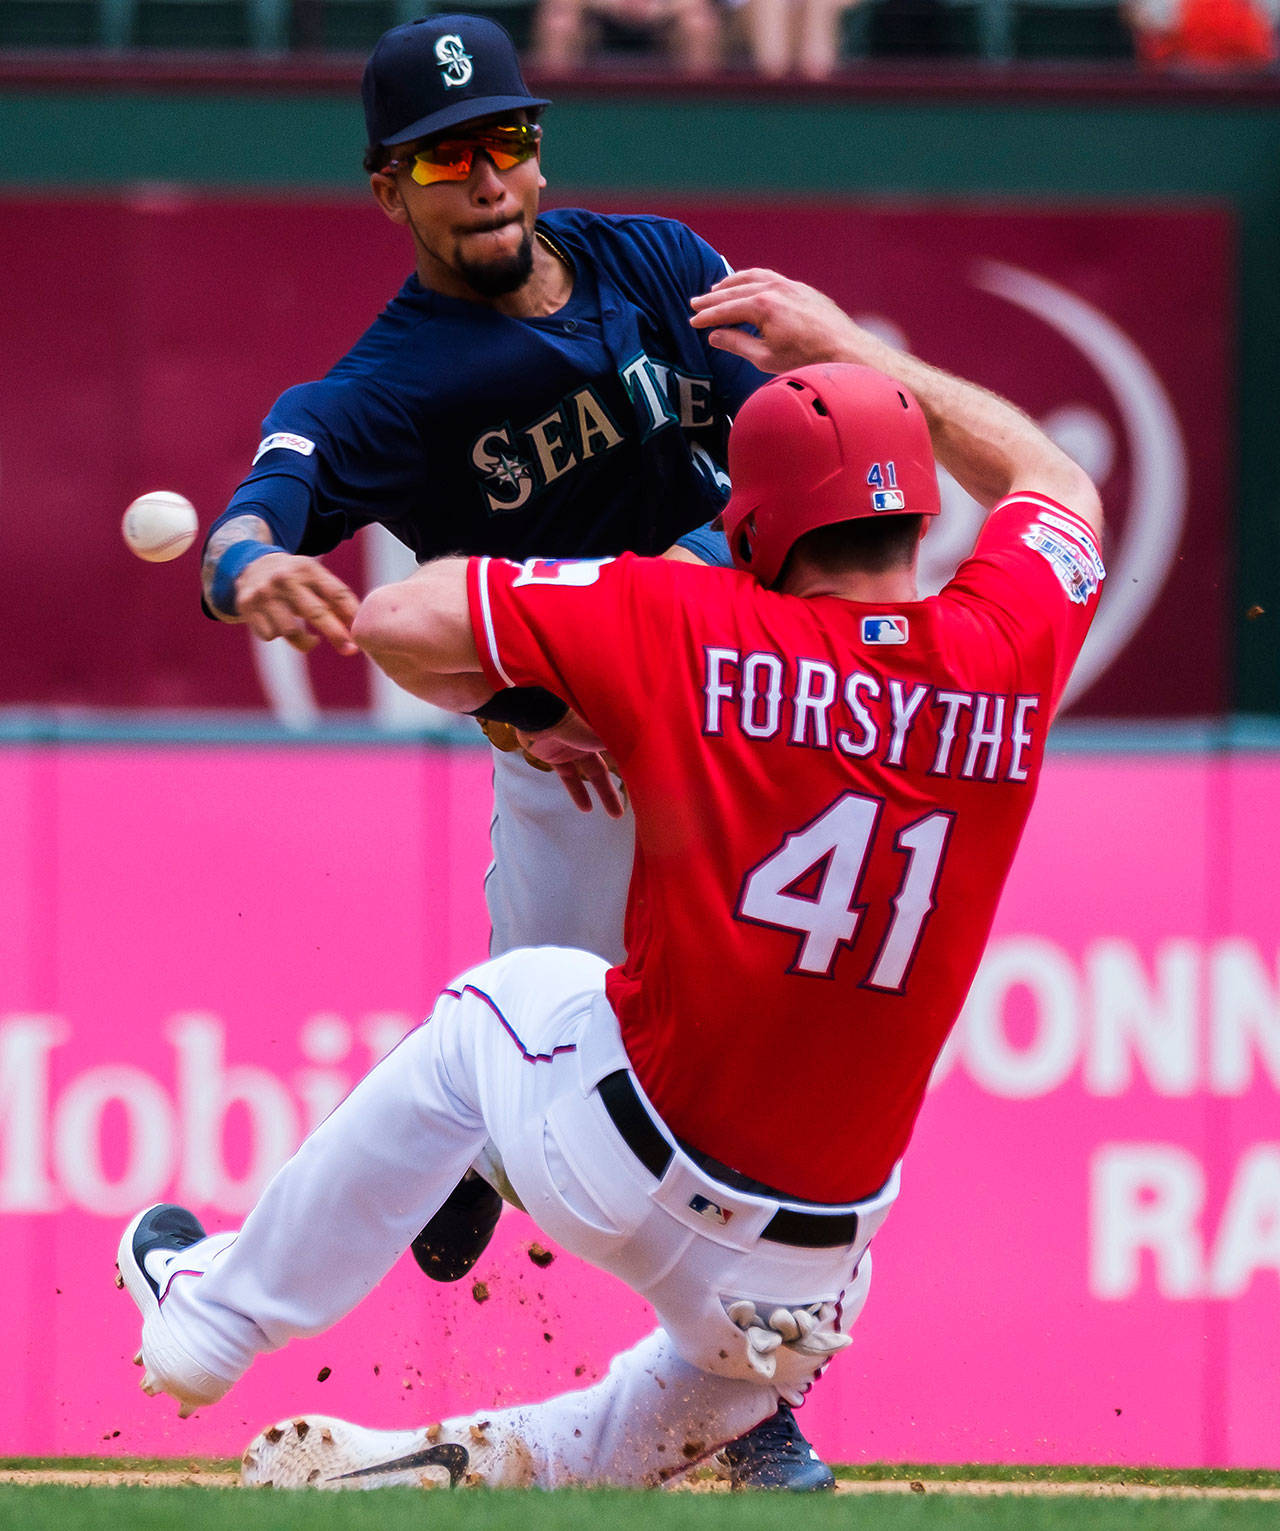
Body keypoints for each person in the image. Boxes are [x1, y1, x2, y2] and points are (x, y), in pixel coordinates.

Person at [117, 268, 1105, 1490]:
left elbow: (400, 622)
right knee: (684, 1403)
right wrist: (851, 342)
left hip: (626, 1166)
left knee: (508, 996)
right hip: (816, 1271)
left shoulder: (691, 621)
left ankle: (215, 1320)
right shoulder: (1008, 643)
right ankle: (595, 1442)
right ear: (920, 519)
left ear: (752, 525)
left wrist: (539, 697)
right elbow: (1053, 483)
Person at [194, 10, 825, 1487]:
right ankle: (477, 1149)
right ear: (387, 190)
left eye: (506, 141)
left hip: (734, 722)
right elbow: (258, 503)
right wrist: (241, 567)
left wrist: (673, 585)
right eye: (443, 158)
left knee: (729, 1080)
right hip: (577, 767)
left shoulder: (657, 264)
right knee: (526, 1023)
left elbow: (787, 456)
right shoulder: (395, 383)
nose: (485, 178)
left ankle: (749, 1408)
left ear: (537, 151)